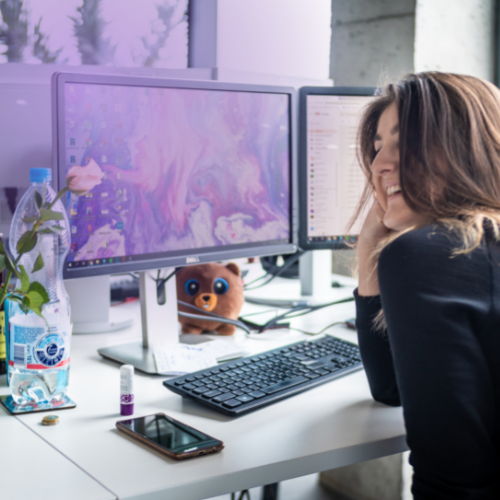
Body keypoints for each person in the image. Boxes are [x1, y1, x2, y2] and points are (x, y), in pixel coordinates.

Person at [355, 71, 500, 499]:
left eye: (404, 142)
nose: (380, 164)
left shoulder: (435, 252)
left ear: (465, 149)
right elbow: (393, 388)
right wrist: (370, 247)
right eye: (378, 146)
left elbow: (453, 482)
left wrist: (395, 252)